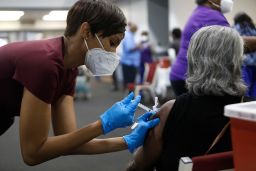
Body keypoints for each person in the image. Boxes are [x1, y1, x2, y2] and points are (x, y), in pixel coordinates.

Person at [0, 0, 159, 166]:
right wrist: (102, 124)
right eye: (112, 43)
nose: (113, 53)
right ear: (86, 31)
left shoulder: (69, 69)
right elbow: (33, 153)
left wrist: (127, 140)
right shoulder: (45, 63)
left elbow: (69, 141)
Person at [126, 26, 246, 171]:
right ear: (237, 60)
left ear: (193, 59)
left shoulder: (170, 110)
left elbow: (139, 165)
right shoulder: (249, 110)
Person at [170, 0, 256, 97]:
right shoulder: (212, 15)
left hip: (182, 74)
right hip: (189, 77)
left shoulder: (201, 11)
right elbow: (232, 45)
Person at [234, 12, 256, 98]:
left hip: (245, 62)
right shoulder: (253, 28)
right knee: (254, 86)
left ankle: (245, 101)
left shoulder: (236, 28)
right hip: (255, 63)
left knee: (245, 85)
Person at [121, 22, 141, 90]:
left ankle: (129, 97)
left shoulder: (130, 35)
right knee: (129, 83)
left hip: (130, 63)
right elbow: (129, 48)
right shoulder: (128, 36)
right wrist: (138, 46)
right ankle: (129, 98)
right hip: (129, 63)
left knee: (129, 82)